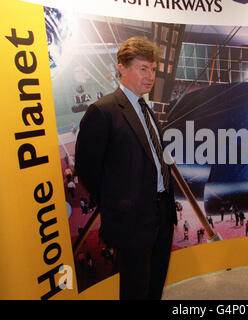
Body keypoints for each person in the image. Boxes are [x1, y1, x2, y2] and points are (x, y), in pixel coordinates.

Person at [75, 37, 178, 300]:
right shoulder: (103, 110)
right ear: (121, 68)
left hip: (162, 215)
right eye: (143, 68)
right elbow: (87, 169)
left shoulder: (146, 108)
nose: (151, 76)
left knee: (155, 284)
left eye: (153, 70)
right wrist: (119, 203)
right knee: (134, 291)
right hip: (132, 221)